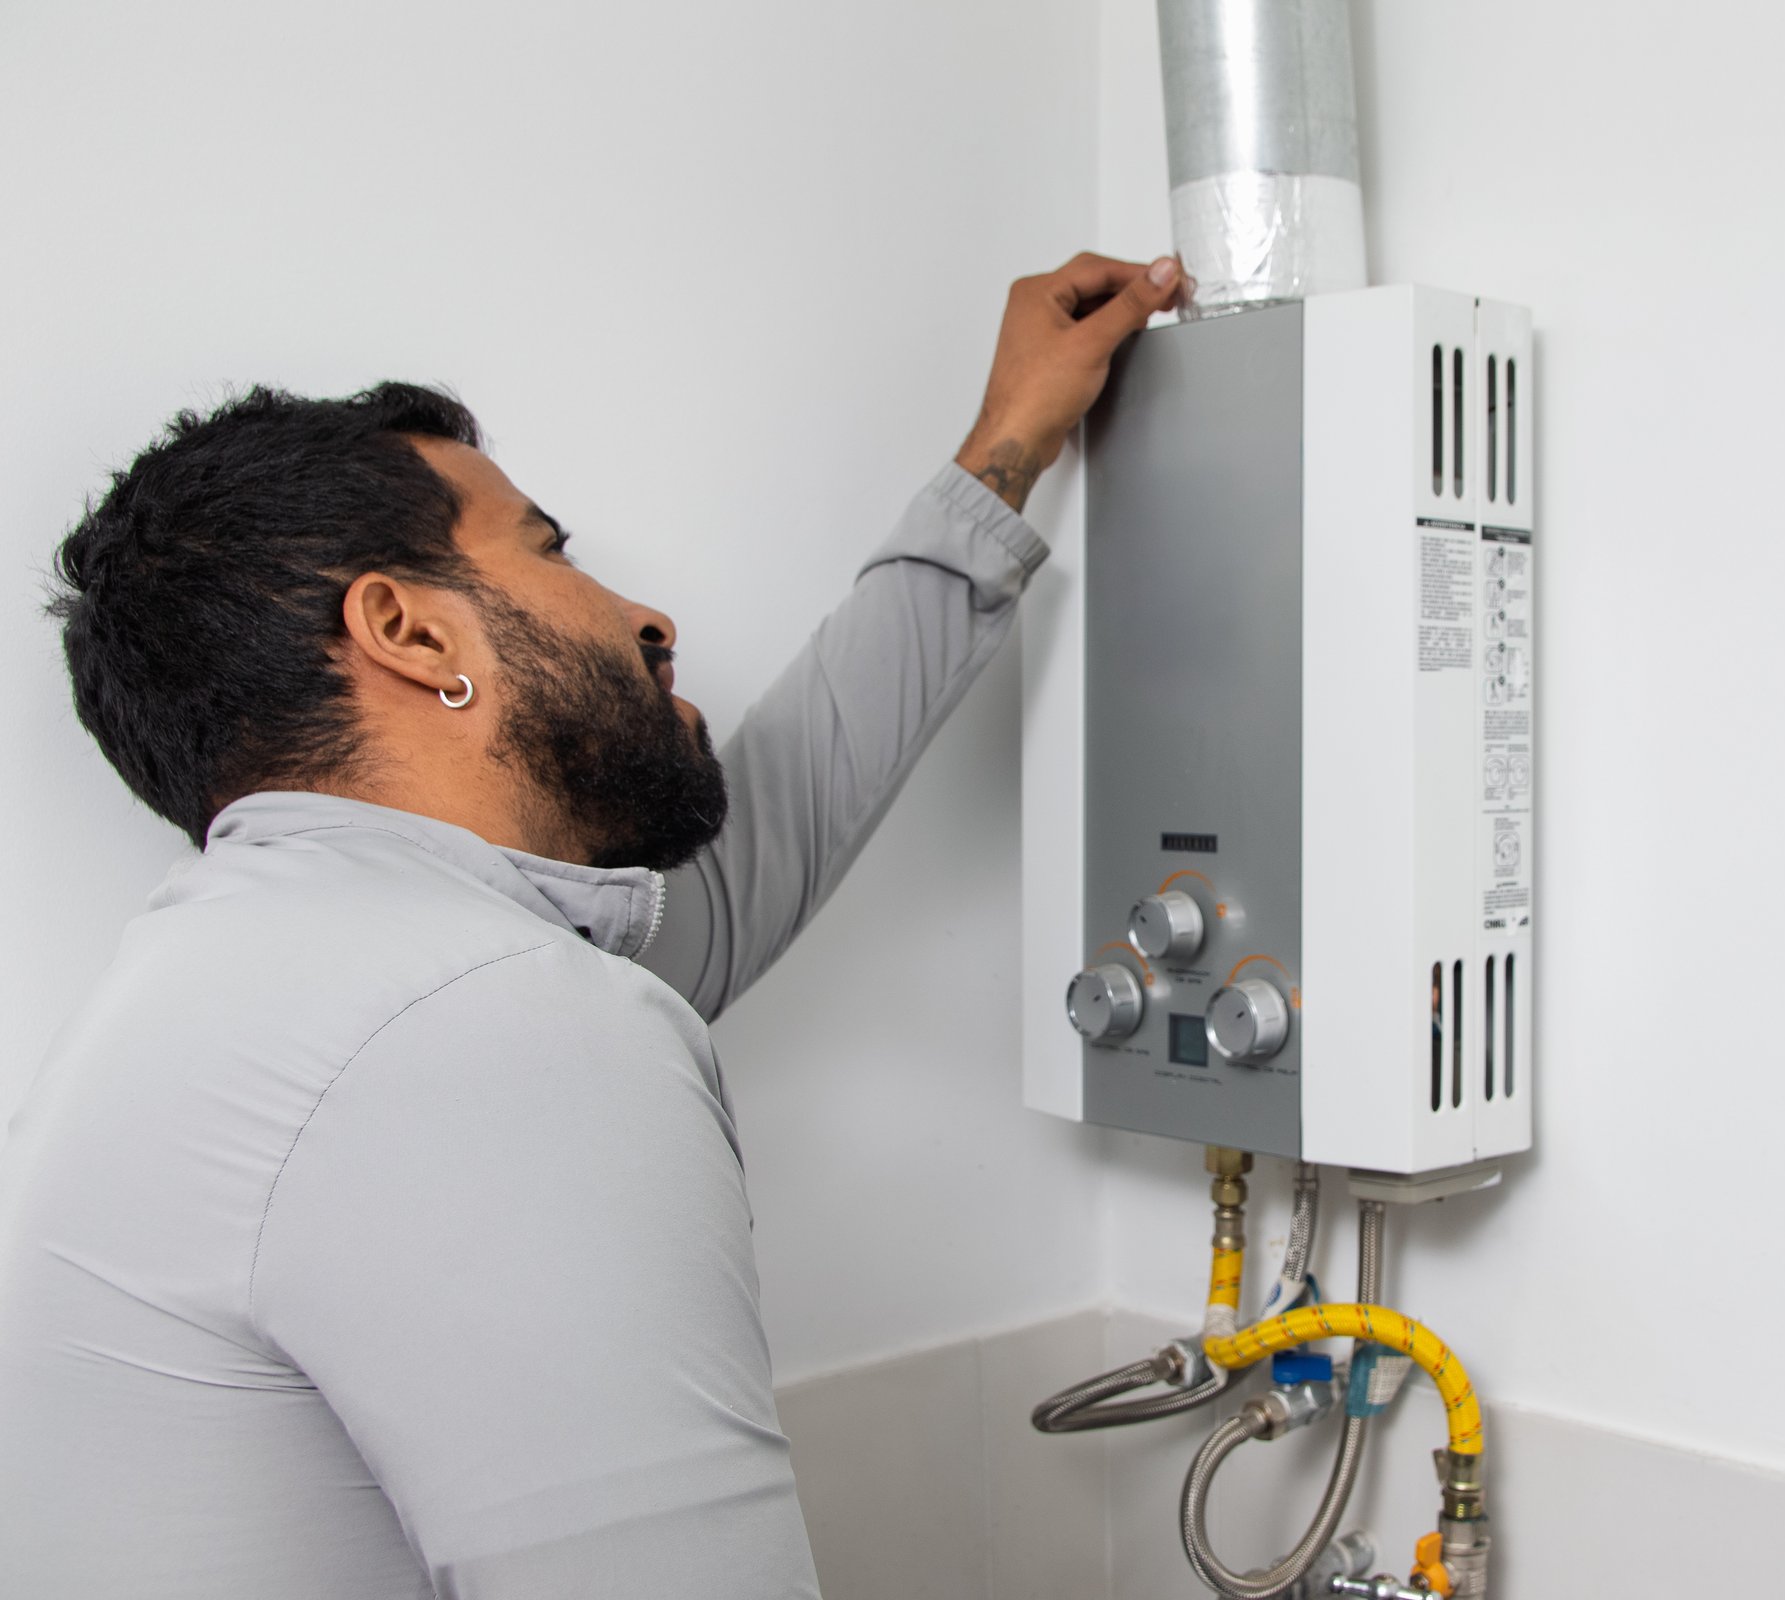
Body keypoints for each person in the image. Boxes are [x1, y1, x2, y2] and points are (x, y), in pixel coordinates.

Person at [0, 251, 1185, 1598]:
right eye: (551, 549)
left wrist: (1006, 447)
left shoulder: (266, 978)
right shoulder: (482, 1023)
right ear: (409, 633)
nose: (647, 618)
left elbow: (757, 850)